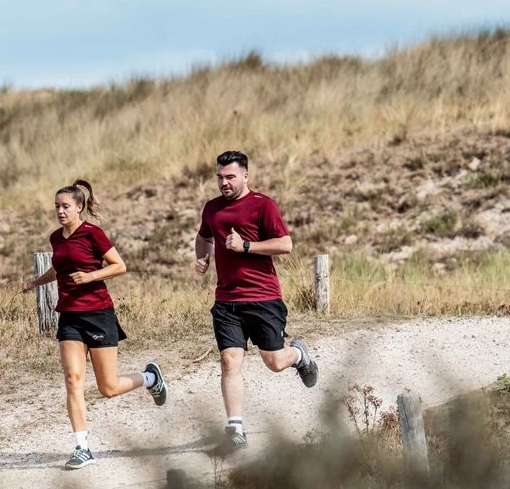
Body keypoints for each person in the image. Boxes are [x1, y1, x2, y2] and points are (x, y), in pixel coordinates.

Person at [23, 179, 168, 470]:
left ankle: (150, 378)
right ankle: (82, 448)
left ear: (79, 207)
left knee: (108, 388)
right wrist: (36, 282)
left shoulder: (92, 233)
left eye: (66, 206)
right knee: (72, 380)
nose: (60, 211)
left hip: (98, 314)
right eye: (56, 206)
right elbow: (59, 268)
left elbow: (119, 265)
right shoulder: (56, 238)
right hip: (69, 317)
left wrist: (90, 276)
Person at [194, 151, 319, 452]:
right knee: (229, 361)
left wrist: (246, 246)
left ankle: (299, 355)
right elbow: (203, 237)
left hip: (263, 297)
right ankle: (235, 429)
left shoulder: (263, 205)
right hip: (226, 300)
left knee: (274, 362)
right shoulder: (212, 208)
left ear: (245, 176)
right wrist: (202, 257)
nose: (224, 182)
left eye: (230, 177)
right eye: (220, 177)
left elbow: (285, 244)